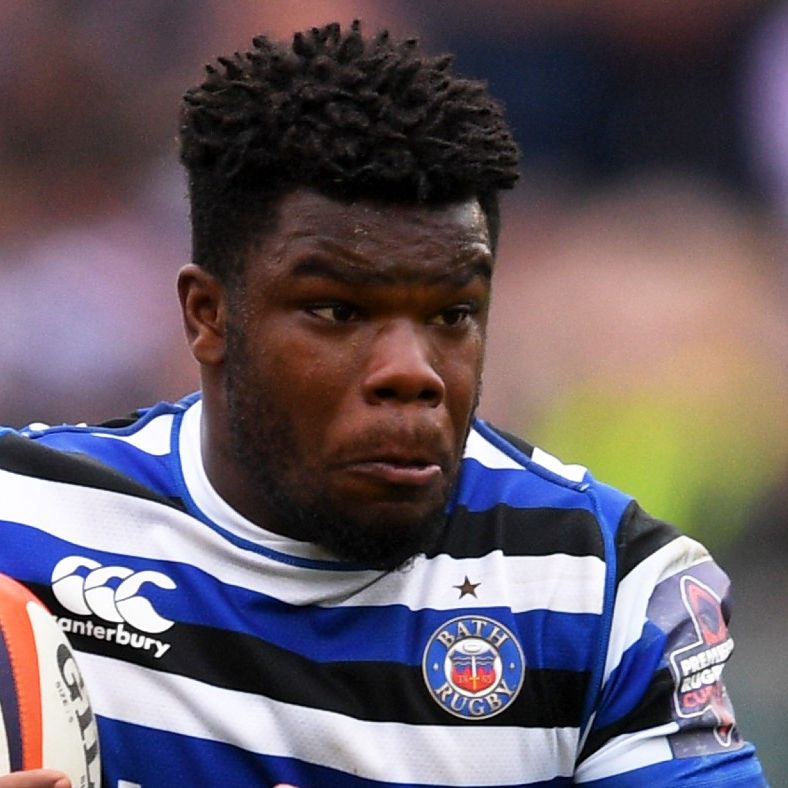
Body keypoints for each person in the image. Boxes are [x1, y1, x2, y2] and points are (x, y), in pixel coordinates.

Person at [0, 21, 767, 788]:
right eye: (338, 311)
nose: (412, 372)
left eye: (452, 315)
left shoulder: (607, 587)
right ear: (209, 315)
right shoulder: (22, 523)